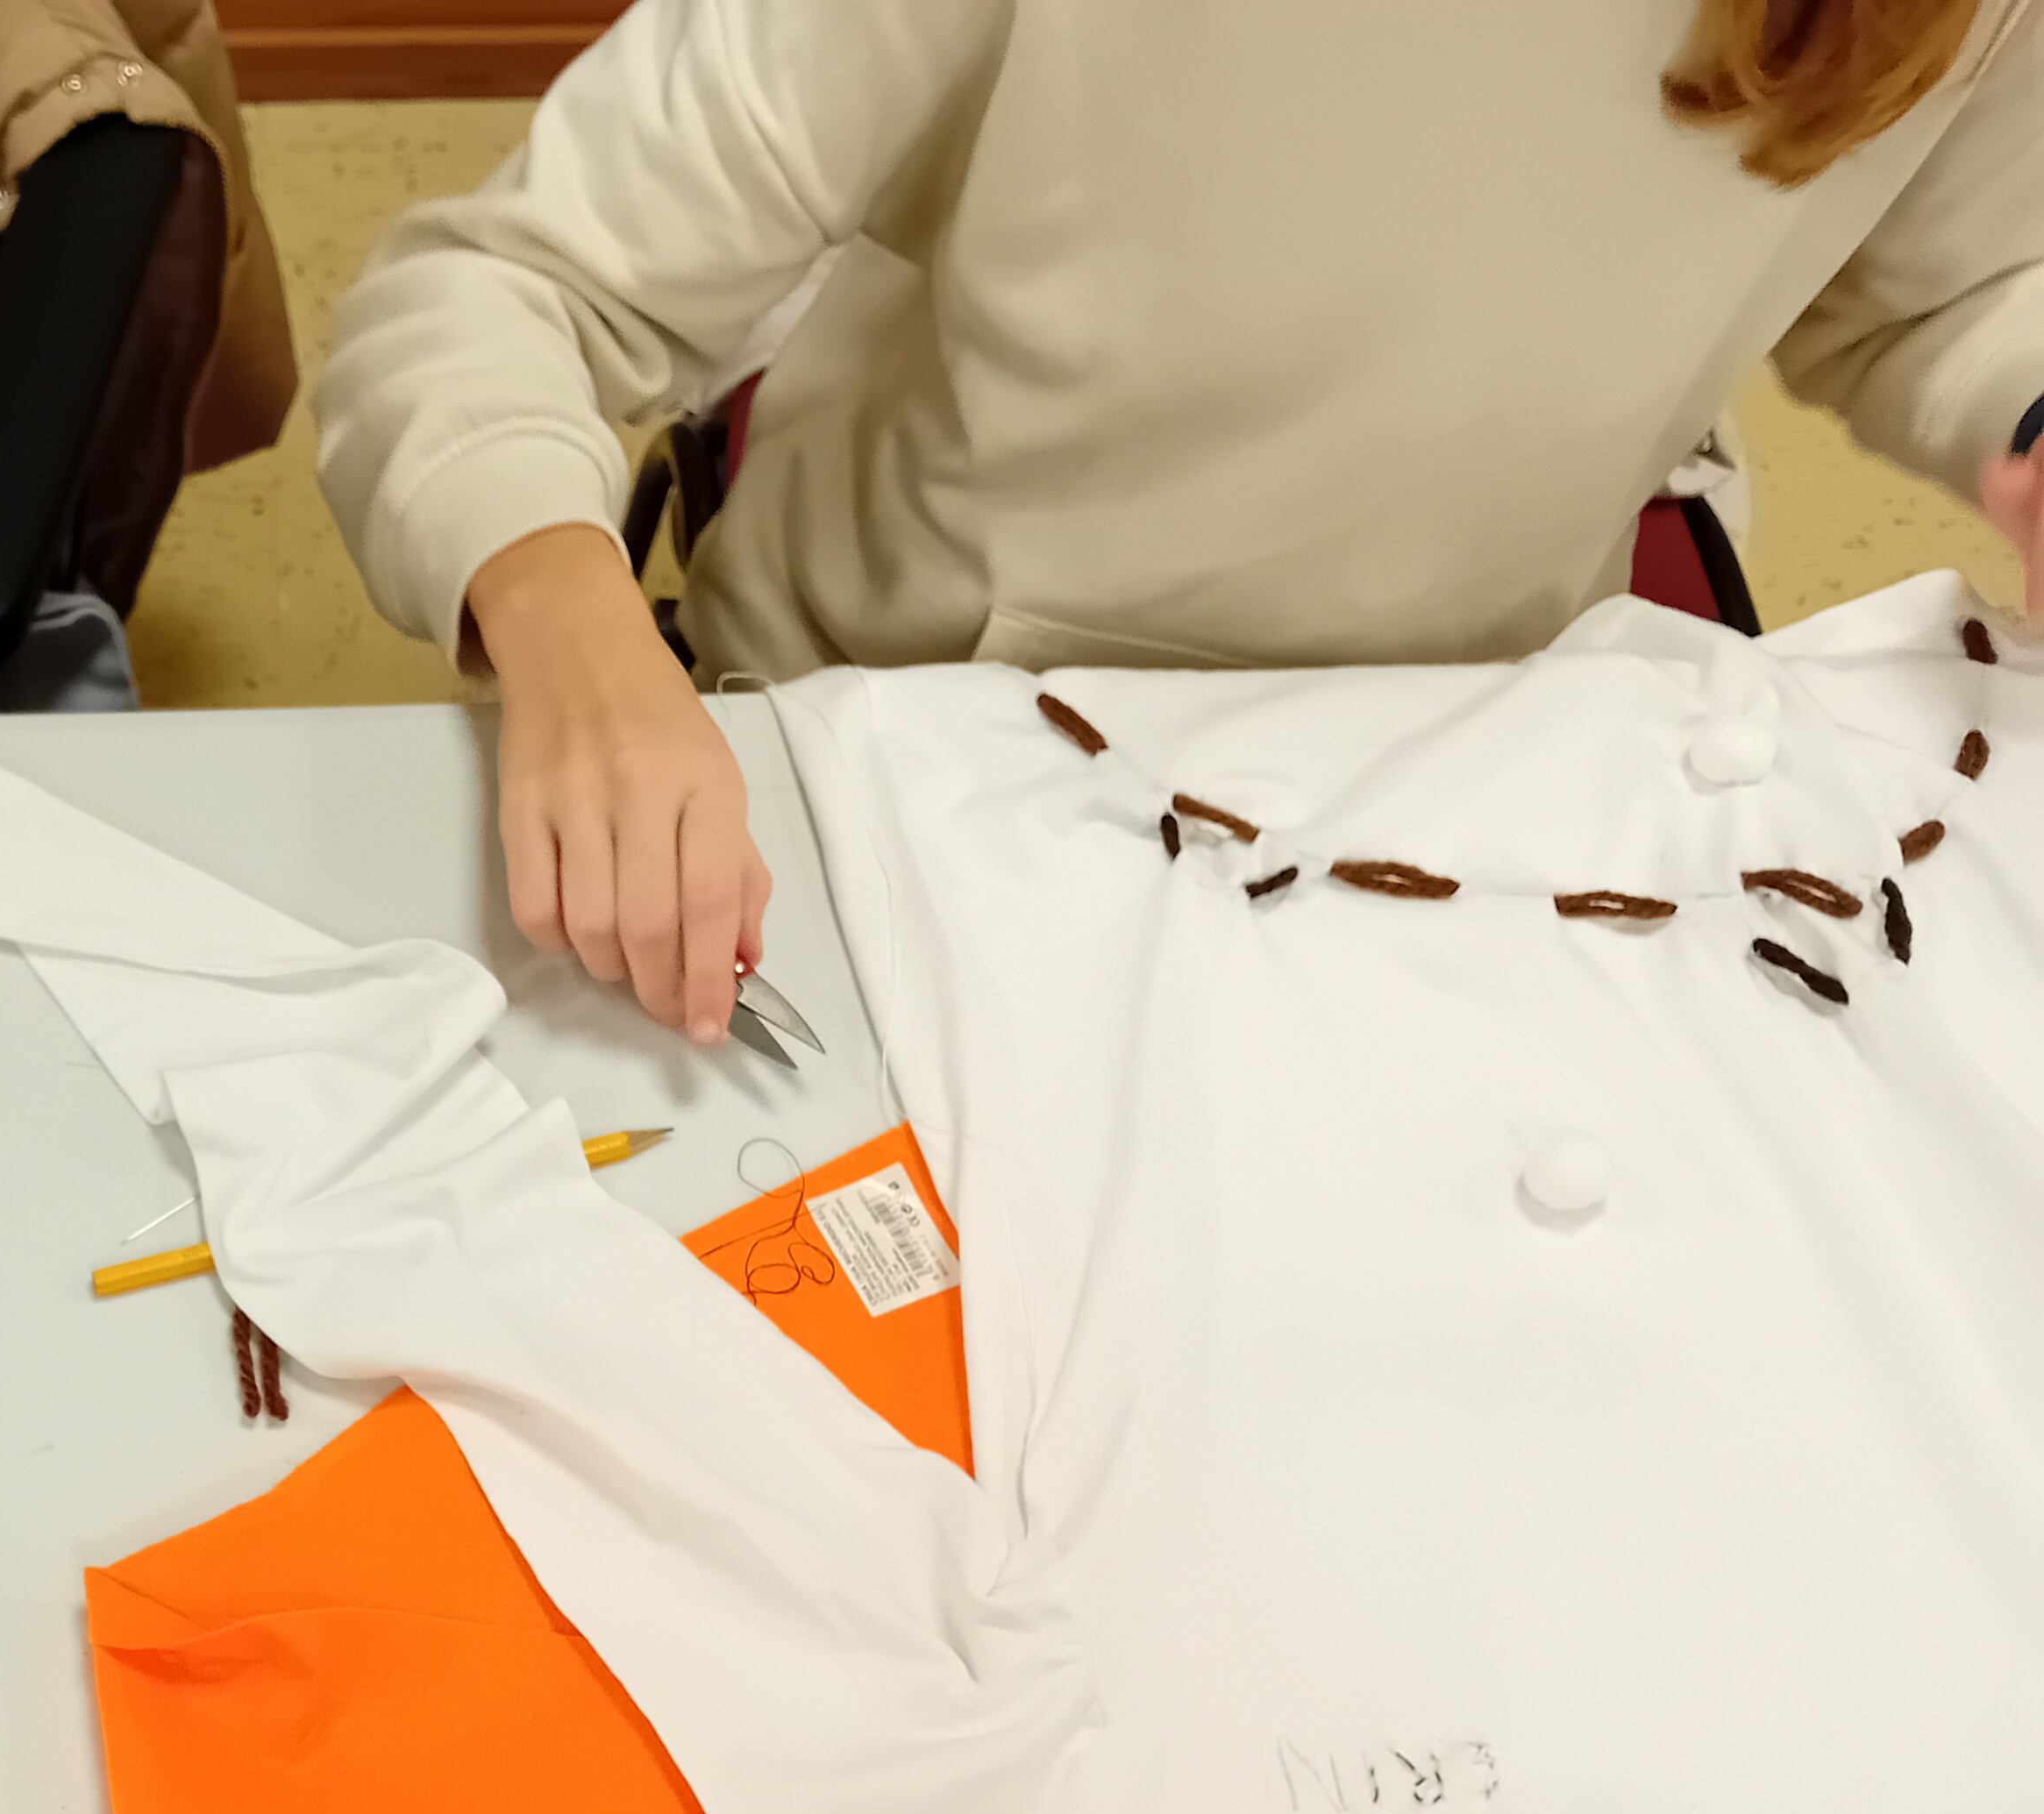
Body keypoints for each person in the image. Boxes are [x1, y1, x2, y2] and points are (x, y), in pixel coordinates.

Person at [316, 0, 2044, 1046]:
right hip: (909, 725)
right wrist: (574, 631)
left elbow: (1954, 288)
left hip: (1470, 744)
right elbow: (494, 295)